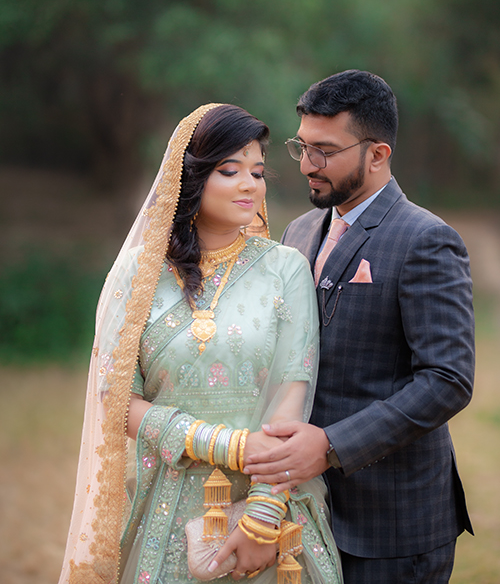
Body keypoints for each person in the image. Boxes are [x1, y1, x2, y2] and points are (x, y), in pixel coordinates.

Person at [58, 103, 343, 584]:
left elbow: (291, 396)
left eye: (258, 172)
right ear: (191, 179)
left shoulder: (285, 268)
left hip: (269, 506)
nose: (250, 185)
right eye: (230, 171)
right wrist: (229, 445)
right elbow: (116, 400)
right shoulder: (139, 274)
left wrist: (263, 515)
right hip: (167, 507)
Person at [244, 70, 475, 584]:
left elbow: (447, 380)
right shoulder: (299, 231)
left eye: (324, 151)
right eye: (302, 147)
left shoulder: (426, 239)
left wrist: (330, 445)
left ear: (377, 154)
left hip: (392, 525)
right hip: (304, 510)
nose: (307, 164)